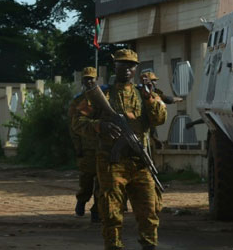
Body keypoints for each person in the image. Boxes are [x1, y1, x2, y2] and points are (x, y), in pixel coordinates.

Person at [87, 49, 167, 250]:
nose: (127, 69)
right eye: (122, 64)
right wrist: (100, 126)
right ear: (115, 66)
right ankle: (114, 246)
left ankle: (149, 245)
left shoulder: (144, 94)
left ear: (136, 68)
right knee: (111, 212)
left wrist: (150, 98)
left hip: (140, 163)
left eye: (131, 65)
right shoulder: (103, 93)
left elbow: (159, 119)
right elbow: (78, 121)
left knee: (149, 210)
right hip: (112, 162)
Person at [68, 66, 101, 223]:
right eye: (86, 79)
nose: (89, 82)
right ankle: (81, 202)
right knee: (86, 180)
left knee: (102, 182)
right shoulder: (78, 101)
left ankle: (97, 211)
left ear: (96, 80)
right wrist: (78, 147)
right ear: (82, 81)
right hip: (86, 148)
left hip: (103, 148)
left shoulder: (103, 99)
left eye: (91, 79)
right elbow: (73, 128)